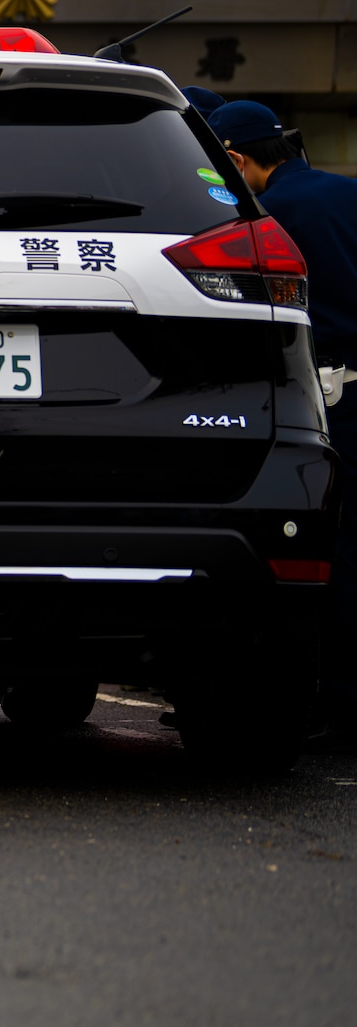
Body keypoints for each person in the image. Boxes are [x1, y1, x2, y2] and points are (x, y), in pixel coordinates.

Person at [210, 100, 357, 739]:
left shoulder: (270, 218)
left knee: (333, 552)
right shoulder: (346, 193)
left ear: (236, 160)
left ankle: (339, 706)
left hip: (333, 397)